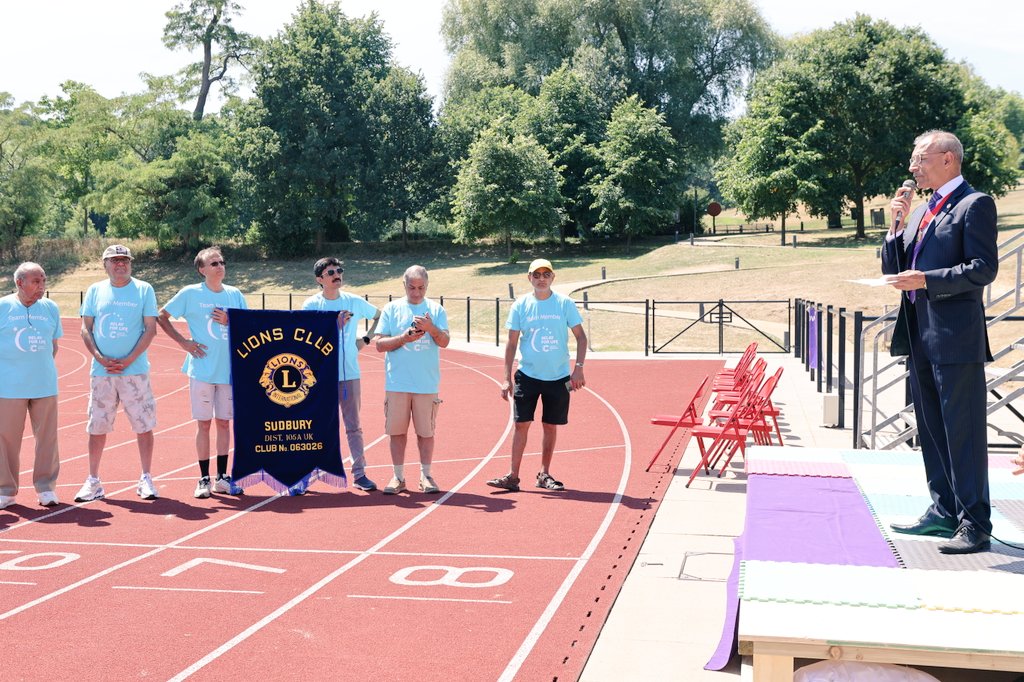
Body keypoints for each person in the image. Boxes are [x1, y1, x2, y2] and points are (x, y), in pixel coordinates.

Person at [882, 130, 998, 554]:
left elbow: (984, 269)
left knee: (963, 435)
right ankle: (943, 510)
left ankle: (975, 524)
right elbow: (895, 267)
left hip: (956, 340)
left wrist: (927, 281)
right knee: (930, 431)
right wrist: (895, 229)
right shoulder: (922, 210)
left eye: (920, 159)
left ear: (948, 159)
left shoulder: (975, 204)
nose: (913, 167)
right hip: (919, 335)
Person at [487, 259, 586, 493]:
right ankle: (513, 476)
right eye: (537, 274)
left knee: (550, 425)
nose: (541, 278)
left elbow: (581, 337)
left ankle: (544, 474)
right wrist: (506, 377)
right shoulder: (520, 306)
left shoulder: (564, 304)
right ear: (529, 277)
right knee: (521, 424)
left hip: (559, 377)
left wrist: (579, 367)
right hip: (527, 375)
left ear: (553, 277)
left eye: (546, 274)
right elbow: (511, 344)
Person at [157, 247, 247, 499]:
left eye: (222, 262)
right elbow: (162, 316)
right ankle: (203, 478)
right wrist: (183, 343)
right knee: (204, 423)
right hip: (202, 370)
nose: (220, 266)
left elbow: (250, 325)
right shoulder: (190, 293)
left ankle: (222, 477)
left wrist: (232, 321)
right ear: (202, 270)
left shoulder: (235, 294)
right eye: (214, 263)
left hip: (229, 371)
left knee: (223, 423)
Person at [75, 245, 160, 502]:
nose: (120, 264)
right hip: (102, 373)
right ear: (105, 264)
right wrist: (100, 358)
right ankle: (93, 480)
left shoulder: (144, 289)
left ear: (131, 264)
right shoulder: (95, 290)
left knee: (143, 425)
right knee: (97, 426)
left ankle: (146, 477)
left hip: (135, 371)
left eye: (124, 260)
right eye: (114, 260)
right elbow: (85, 329)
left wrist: (129, 359)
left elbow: (150, 329)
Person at [302, 257, 381, 492]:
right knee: (316, 426)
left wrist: (365, 339)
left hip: (349, 374)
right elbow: (302, 339)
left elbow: (380, 315)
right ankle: (310, 473)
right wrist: (331, 326)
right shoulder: (310, 305)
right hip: (319, 376)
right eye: (330, 272)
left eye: (339, 270)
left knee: (353, 426)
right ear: (319, 279)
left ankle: (359, 473)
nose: (337, 274)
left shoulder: (353, 301)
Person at [373, 265, 449, 495]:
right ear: (403, 285)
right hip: (398, 383)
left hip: (426, 383)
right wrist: (403, 338)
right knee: (396, 432)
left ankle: (426, 476)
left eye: (421, 288)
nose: (416, 293)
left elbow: (444, 341)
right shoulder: (392, 308)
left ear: (427, 286)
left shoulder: (436, 309)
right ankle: (398, 477)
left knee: (426, 433)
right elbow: (378, 344)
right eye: (411, 287)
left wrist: (431, 328)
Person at [0, 263, 63, 509]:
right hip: (8, 388)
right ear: (19, 283)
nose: (41, 286)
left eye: (43, 281)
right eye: (36, 281)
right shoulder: (3, 306)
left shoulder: (50, 308)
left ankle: (46, 488)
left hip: (44, 385)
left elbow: (53, 346)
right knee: (6, 440)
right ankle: (6, 490)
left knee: (47, 439)